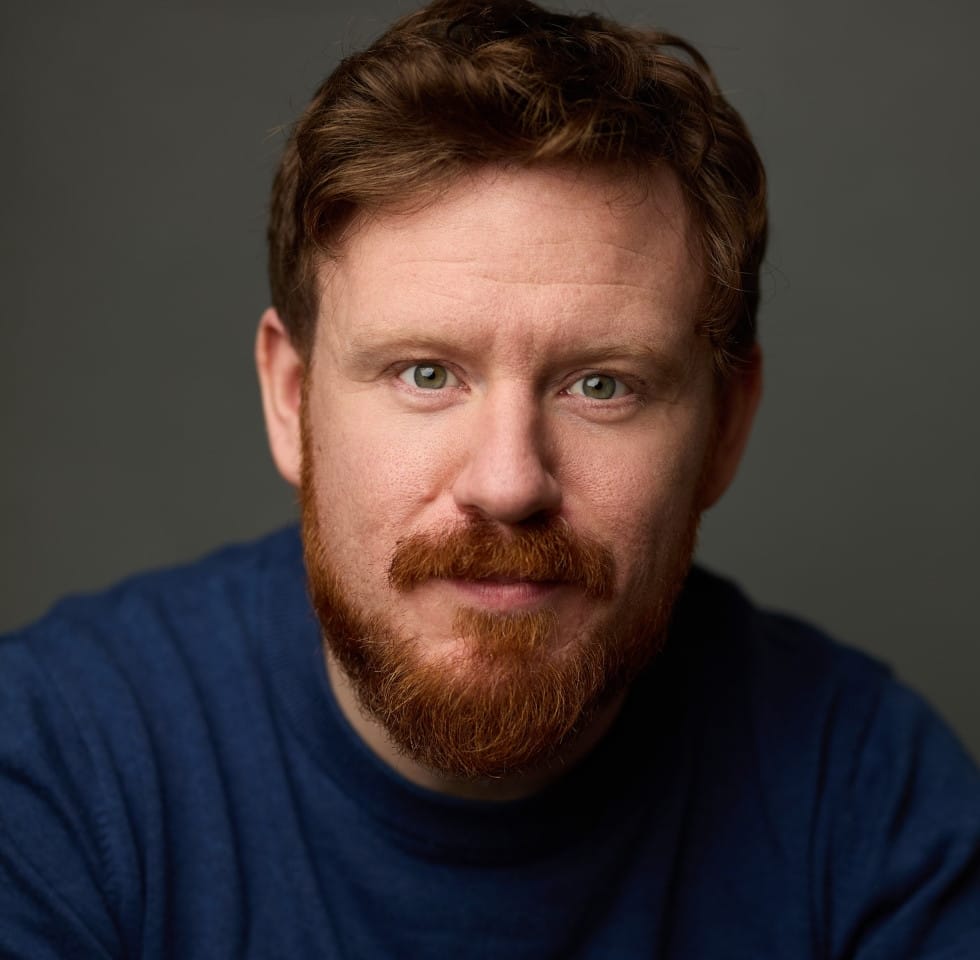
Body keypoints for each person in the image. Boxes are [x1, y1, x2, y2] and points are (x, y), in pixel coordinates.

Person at [1, 0, 978, 956]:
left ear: (724, 425)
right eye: (425, 374)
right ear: (291, 400)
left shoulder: (862, 793)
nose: (508, 484)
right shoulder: (55, 770)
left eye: (602, 384)